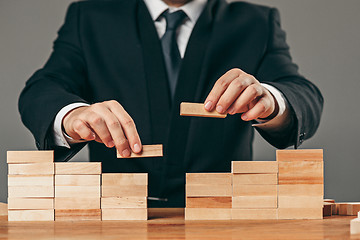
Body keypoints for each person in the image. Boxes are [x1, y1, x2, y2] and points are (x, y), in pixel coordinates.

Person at [18, 0, 323, 207]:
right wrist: (73, 115)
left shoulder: (256, 22)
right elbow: (43, 89)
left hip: (222, 217)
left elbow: (302, 93)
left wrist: (271, 99)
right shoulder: (90, 17)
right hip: (118, 216)